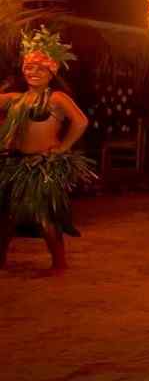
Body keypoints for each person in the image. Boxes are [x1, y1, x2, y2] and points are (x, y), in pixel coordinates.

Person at [0, 26, 94, 274]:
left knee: (45, 217)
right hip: (16, 164)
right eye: (29, 68)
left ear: (51, 72)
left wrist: (63, 148)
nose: (34, 72)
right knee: (6, 217)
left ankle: (59, 264)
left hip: (42, 166)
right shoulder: (15, 98)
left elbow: (81, 122)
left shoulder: (56, 99)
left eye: (41, 68)